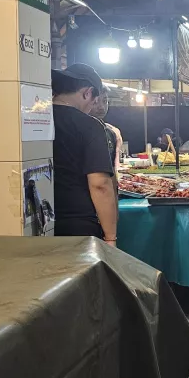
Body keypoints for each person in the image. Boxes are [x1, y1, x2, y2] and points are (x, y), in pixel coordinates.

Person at [51, 63, 118, 244]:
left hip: (41, 223)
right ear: (87, 93)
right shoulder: (90, 126)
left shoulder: (38, 121)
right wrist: (111, 237)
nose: (92, 107)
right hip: (78, 226)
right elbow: (100, 185)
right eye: (94, 101)